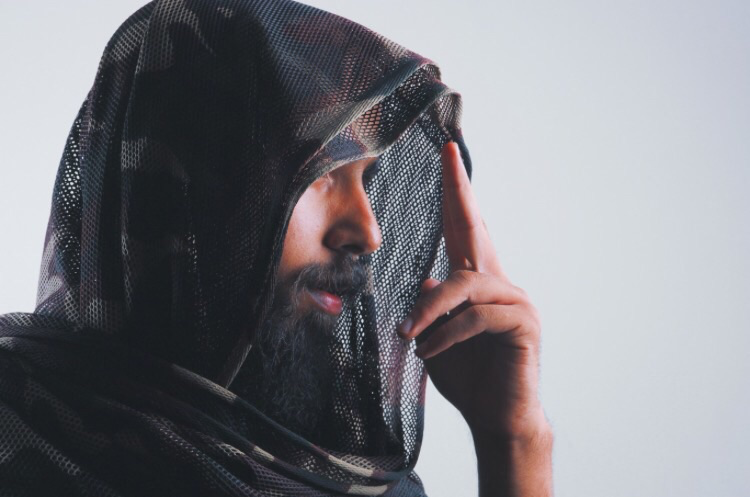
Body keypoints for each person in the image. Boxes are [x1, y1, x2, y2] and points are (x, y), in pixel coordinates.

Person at [0, 0, 552, 495]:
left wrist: (514, 440)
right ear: (184, 185)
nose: (368, 233)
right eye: (319, 172)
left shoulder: (353, 478)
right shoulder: (21, 434)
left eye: (367, 178)